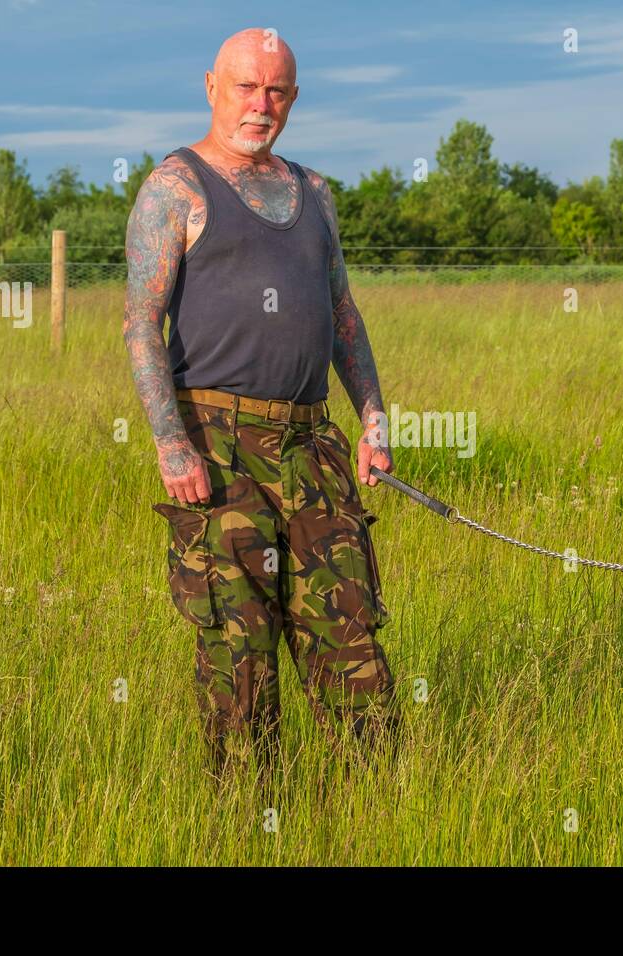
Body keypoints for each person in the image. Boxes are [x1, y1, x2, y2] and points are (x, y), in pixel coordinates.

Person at [122, 27, 397, 772]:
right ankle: (246, 820)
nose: (261, 103)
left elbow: (342, 312)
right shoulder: (174, 187)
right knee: (238, 650)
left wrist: (372, 416)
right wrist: (171, 442)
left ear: (294, 97)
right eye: (246, 86)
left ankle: (381, 816)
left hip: (313, 449)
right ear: (211, 86)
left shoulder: (314, 193)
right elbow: (142, 325)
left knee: (352, 642)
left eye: (276, 90)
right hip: (217, 448)